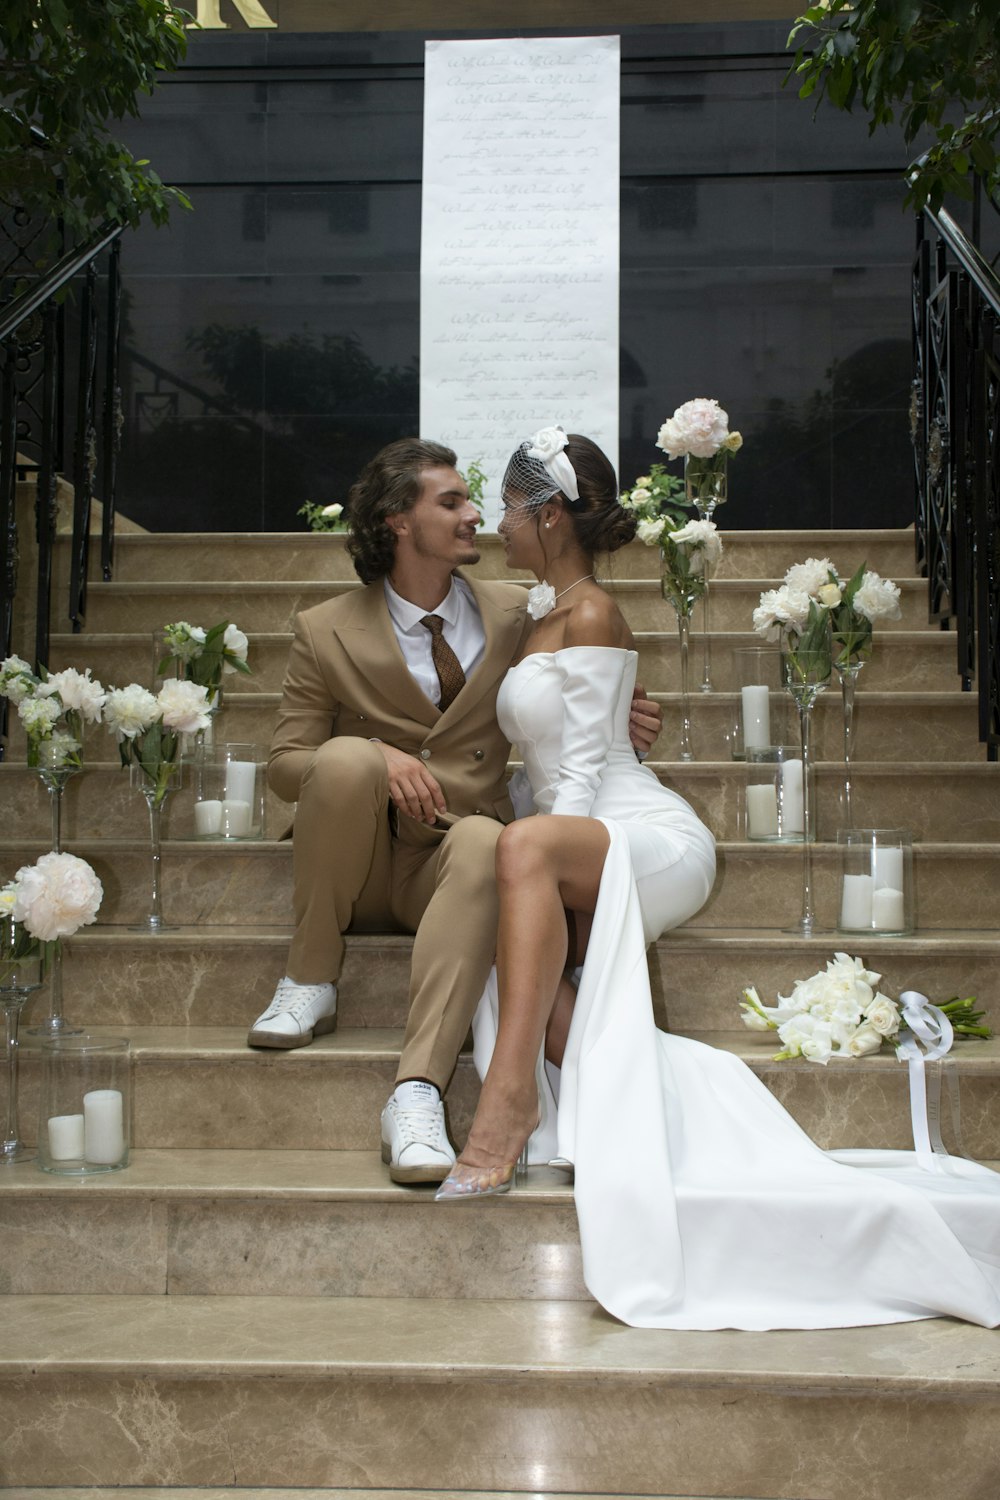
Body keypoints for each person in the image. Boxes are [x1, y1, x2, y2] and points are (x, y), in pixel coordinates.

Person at [434, 424, 1000, 1336]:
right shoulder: (534, 613)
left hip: (643, 831)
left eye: (505, 505)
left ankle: (507, 1102)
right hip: (566, 829)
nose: (497, 522)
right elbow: (532, 764)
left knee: (522, 863)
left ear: (547, 512)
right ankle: (654, 1088)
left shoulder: (588, 614)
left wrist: (532, 854)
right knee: (508, 910)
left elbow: (575, 782)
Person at [249, 436, 662, 1185]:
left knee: (484, 840)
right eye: (452, 502)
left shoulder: (518, 612)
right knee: (344, 757)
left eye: (480, 502)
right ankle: (310, 976)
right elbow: (282, 768)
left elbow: (570, 694)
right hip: (364, 863)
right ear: (396, 522)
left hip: (452, 869)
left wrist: (620, 718)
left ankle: (416, 1093)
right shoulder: (324, 627)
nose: (475, 515)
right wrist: (380, 756)